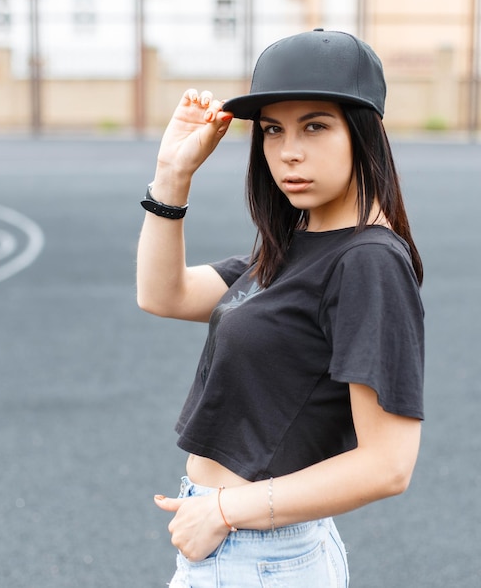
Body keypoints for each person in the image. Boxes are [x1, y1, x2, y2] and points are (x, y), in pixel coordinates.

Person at [136, 29, 424, 588]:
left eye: (315, 126)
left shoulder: (367, 261)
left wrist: (222, 511)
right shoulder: (294, 242)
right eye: (272, 130)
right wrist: (172, 177)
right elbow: (162, 295)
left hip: (258, 555)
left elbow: (389, 465)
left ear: (362, 134)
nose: (288, 150)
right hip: (249, 548)